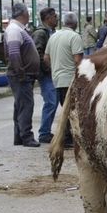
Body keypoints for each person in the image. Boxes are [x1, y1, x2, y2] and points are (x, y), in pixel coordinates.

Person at [45, 12, 84, 149]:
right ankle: (68, 138)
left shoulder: (53, 36)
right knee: (72, 110)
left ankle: (66, 136)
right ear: (75, 23)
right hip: (70, 79)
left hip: (58, 79)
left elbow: (46, 58)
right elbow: (78, 60)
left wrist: (55, 69)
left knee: (65, 108)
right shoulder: (75, 37)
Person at [4, 3, 41, 148]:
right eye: (28, 13)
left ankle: (19, 136)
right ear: (24, 14)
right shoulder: (14, 30)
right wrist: (20, 72)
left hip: (23, 75)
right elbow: (14, 53)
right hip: (21, 76)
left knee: (20, 105)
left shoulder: (18, 29)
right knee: (26, 105)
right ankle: (27, 137)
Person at [31, 7, 58, 143]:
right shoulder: (41, 33)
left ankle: (46, 131)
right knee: (51, 101)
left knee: (53, 101)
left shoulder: (50, 32)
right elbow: (37, 52)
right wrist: (47, 68)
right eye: (54, 16)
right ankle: (44, 133)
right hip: (46, 74)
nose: (57, 18)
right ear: (48, 18)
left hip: (50, 73)